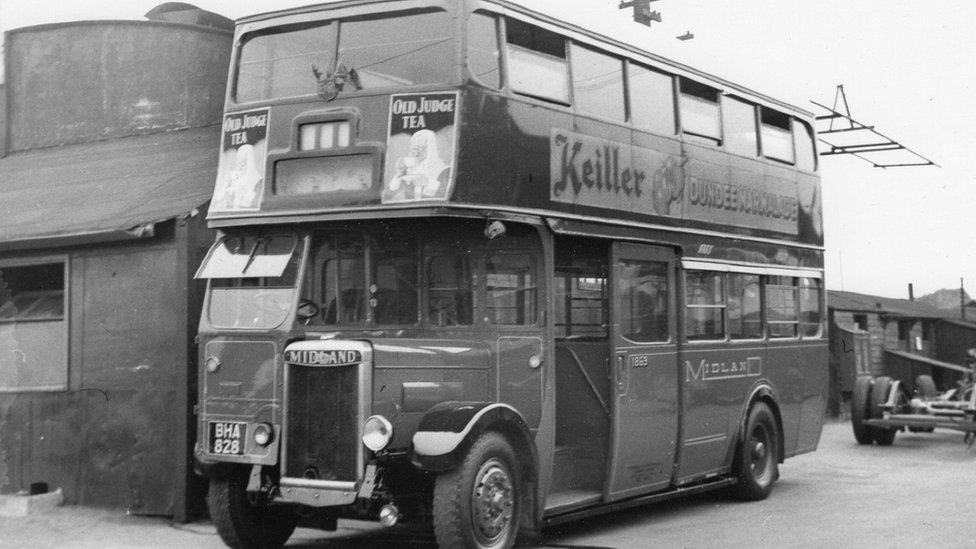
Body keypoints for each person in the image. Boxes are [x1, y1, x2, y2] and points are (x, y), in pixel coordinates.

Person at [386, 129, 450, 201]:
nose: (416, 150)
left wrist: (428, 183)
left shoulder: (444, 170)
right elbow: (387, 196)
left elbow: (446, 196)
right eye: (414, 146)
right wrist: (398, 174)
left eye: (420, 146)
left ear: (431, 148)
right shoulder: (410, 171)